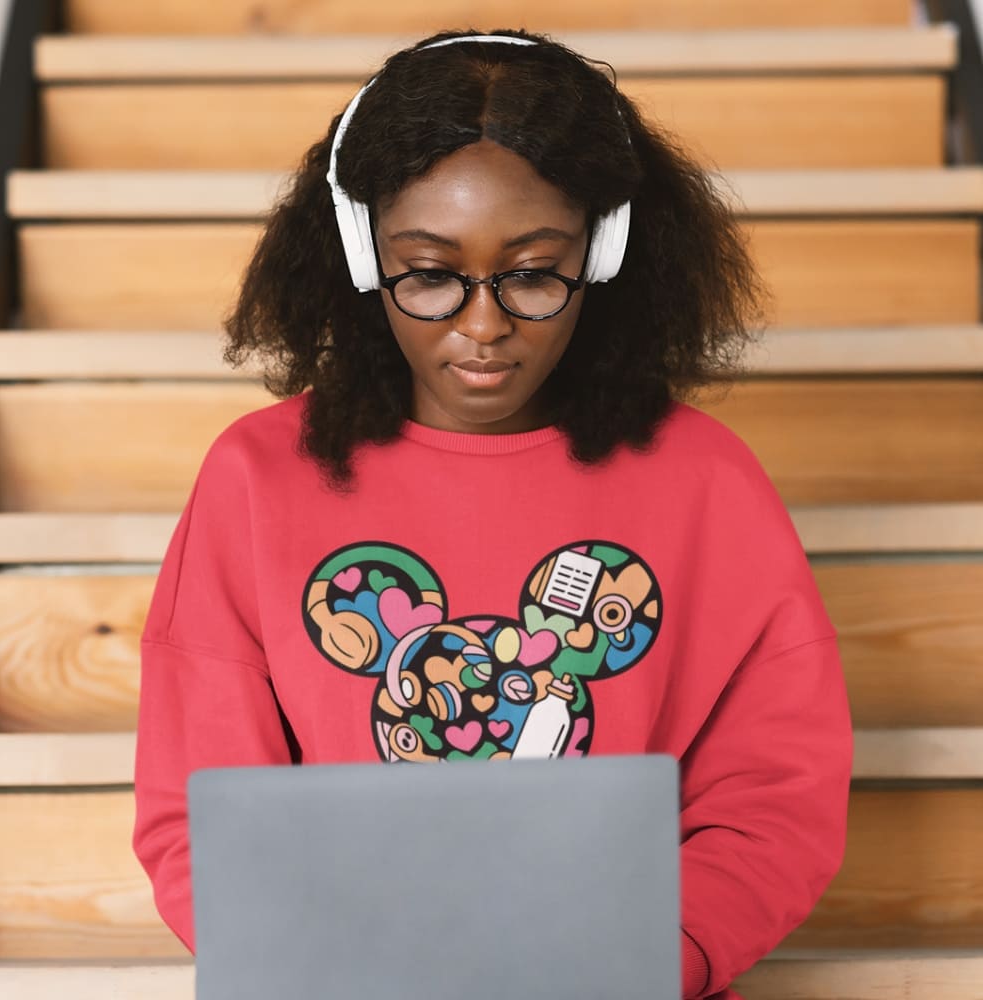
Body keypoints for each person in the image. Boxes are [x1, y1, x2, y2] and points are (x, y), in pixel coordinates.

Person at [133, 29, 852, 1000]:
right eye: (428, 272)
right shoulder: (256, 478)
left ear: (603, 252)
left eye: (531, 271)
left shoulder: (706, 481)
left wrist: (647, 956)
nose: (482, 325)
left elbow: (773, 798)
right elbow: (196, 808)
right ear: (360, 254)